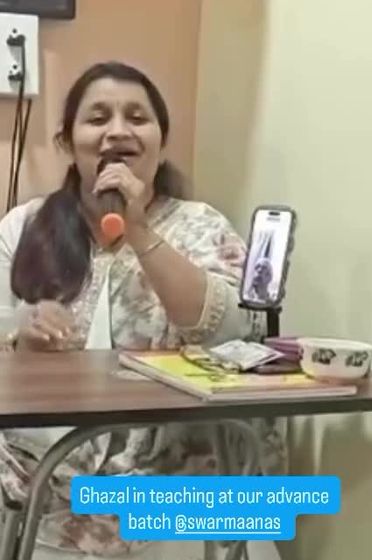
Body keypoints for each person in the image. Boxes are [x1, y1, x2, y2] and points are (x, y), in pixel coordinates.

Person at [0, 62, 288, 559]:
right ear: (68, 141)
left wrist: (137, 229)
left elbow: (234, 333)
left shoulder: (201, 225)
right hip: (43, 479)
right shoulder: (23, 226)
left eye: (137, 117)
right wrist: (20, 336)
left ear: (160, 141)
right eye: (98, 118)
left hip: (178, 490)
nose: (117, 131)